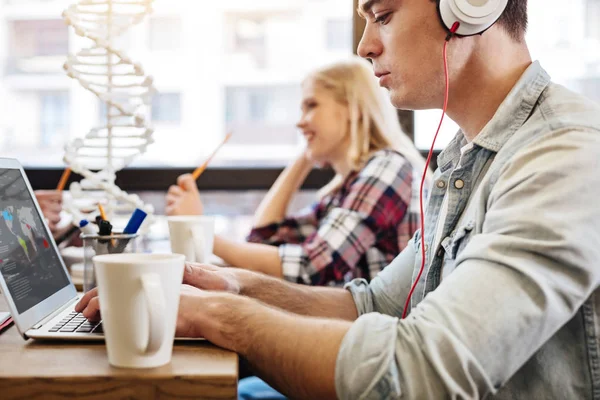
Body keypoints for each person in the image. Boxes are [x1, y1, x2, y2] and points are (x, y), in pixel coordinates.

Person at [77, 0, 600, 398]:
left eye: (384, 15)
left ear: (470, 6)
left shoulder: (564, 156)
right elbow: (375, 305)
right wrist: (235, 286)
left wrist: (218, 315)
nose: (364, 45)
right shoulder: (466, 156)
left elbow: (419, 372)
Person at [166, 57, 428, 286]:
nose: (299, 121)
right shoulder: (345, 190)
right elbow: (262, 240)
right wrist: (304, 157)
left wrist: (198, 230)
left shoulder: (389, 167)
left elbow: (313, 266)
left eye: (311, 106)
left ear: (351, 108)